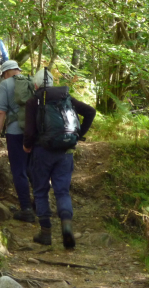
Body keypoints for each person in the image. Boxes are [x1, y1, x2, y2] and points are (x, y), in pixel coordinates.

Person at [23, 69, 96, 248]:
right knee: (62, 191)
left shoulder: (34, 101)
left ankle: (46, 233)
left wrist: (27, 145)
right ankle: (66, 226)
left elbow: (30, 130)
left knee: (40, 191)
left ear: (36, 85)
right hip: (65, 151)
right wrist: (78, 135)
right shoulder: (66, 98)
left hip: (42, 152)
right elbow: (90, 112)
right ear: (53, 82)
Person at [0, 60, 35, 222]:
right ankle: (41, 205)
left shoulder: (5, 85)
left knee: (19, 170)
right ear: (18, 70)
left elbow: (0, 112)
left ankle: (26, 209)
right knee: (33, 169)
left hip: (16, 133)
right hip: (35, 134)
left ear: (5, 73)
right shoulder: (32, 82)